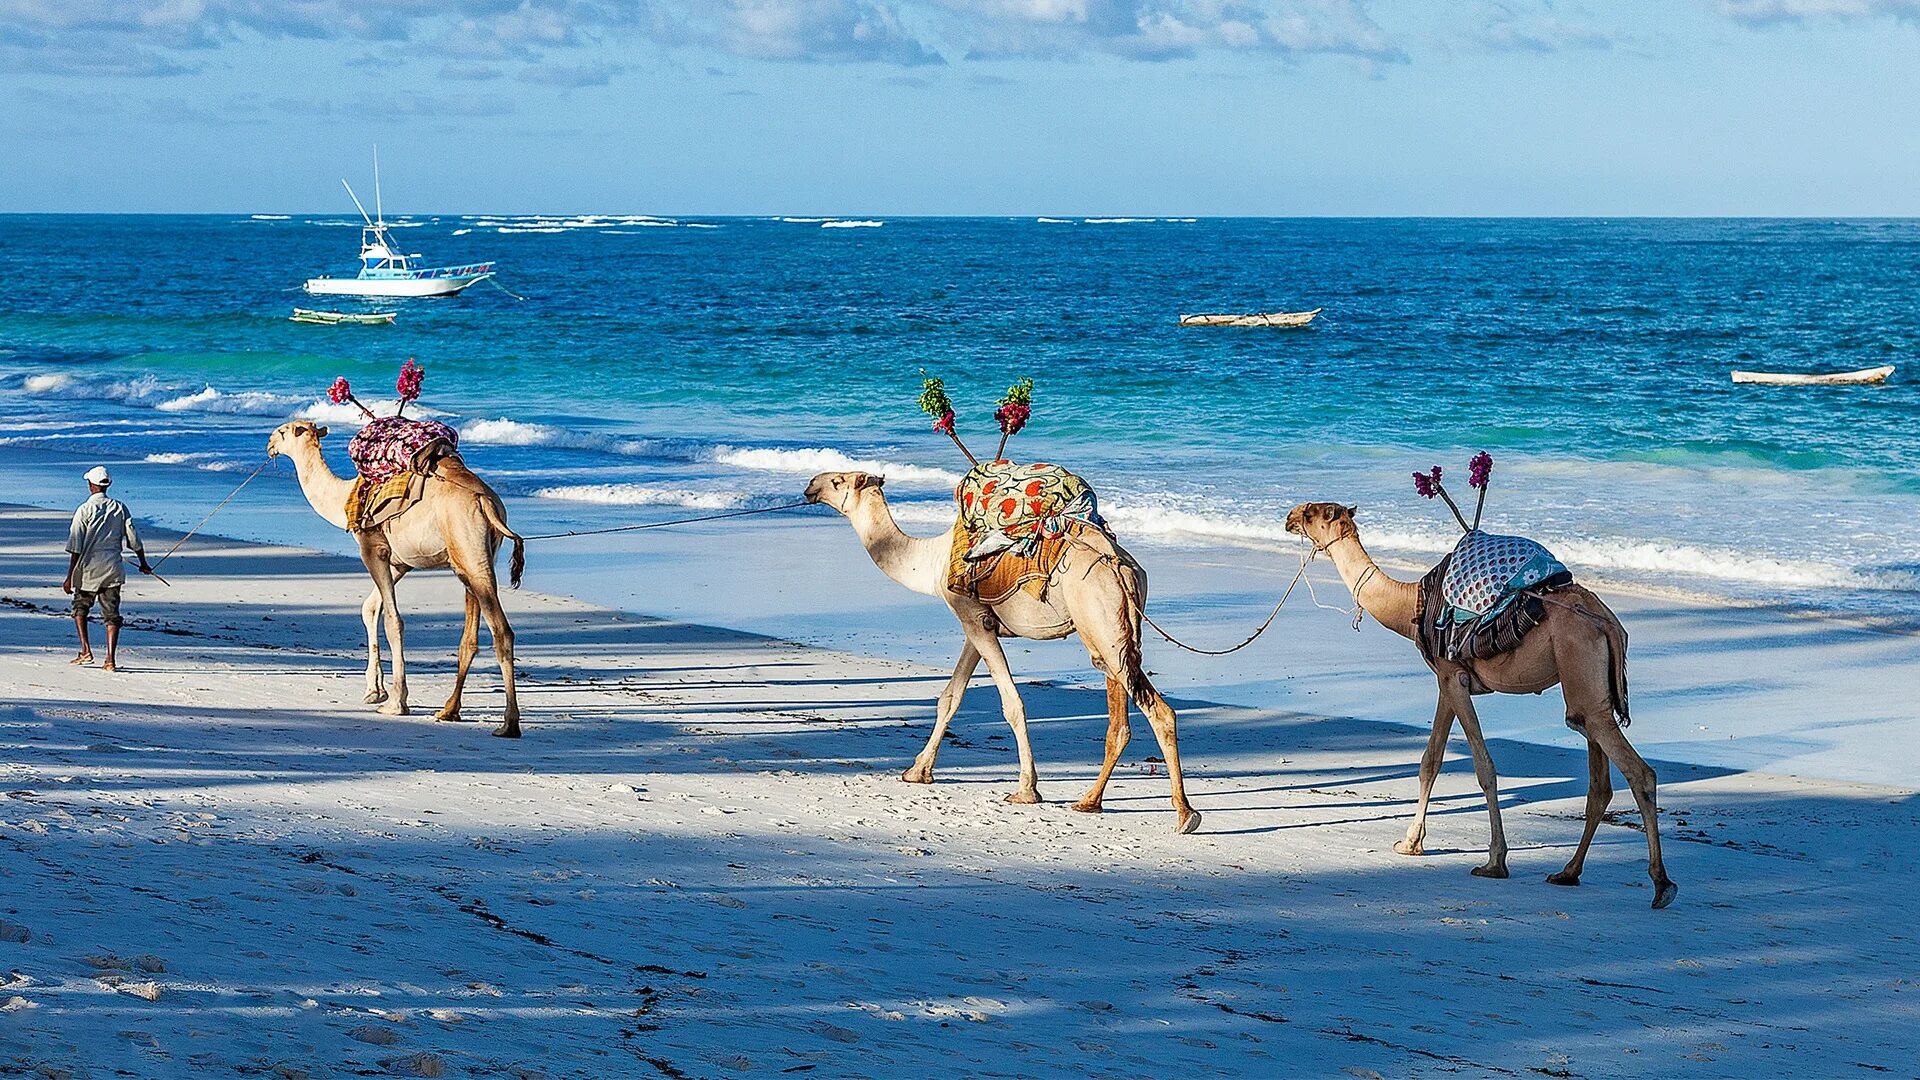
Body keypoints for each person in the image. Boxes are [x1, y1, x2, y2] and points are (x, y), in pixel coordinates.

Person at [63, 466, 152, 671]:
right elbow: (133, 539)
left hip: (88, 569)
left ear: (90, 485)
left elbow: (75, 545)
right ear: (107, 485)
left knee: (80, 609)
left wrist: (69, 576)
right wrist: (143, 563)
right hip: (112, 567)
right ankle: (110, 660)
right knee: (112, 614)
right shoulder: (120, 507)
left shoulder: (84, 509)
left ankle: (86, 650)